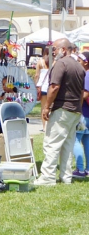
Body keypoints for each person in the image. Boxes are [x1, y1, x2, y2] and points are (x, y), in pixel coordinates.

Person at [35, 38, 85, 186]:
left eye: (55, 49)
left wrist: (47, 107)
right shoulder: (79, 67)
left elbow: (54, 87)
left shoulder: (61, 64)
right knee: (67, 145)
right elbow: (81, 92)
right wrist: (78, 109)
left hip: (63, 109)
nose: (53, 52)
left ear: (63, 50)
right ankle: (66, 176)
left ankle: (48, 177)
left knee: (52, 143)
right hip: (75, 110)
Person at [72, 51, 89, 178]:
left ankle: (80, 169)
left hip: (83, 113)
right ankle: (87, 169)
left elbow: (85, 94)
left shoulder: (87, 74)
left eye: (79, 60)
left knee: (75, 139)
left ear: (86, 62)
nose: (77, 62)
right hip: (87, 113)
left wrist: (76, 105)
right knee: (86, 140)